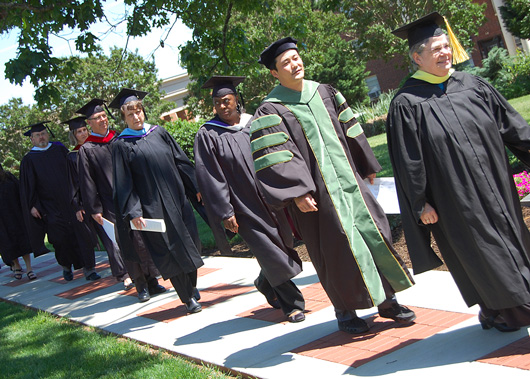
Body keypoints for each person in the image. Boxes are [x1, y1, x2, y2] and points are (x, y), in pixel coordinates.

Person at [250, 37, 416, 334]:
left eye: (296, 57)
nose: (294, 64)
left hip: (351, 184)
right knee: (335, 249)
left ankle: (388, 302)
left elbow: (350, 128)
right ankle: (345, 311)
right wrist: (297, 192)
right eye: (285, 62)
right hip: (317, 196)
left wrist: (365, 165)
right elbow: (275, 156)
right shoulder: (270, 110)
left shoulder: (325, 92)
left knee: (374, 236)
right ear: (274, 73)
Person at [387, 12, 530, 332]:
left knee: (512, 243)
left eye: (446, 46)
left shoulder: (473, 85)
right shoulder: (408, 103)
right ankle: (514, 309)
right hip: (456, 199)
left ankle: (494, 309)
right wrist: (420, 203)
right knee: (482, 252)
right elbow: (409, 161)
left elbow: (513, 128)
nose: (445, 53)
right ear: (416, 57)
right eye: (435, 49)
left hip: (498, 189)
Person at [194, 76, 306, 322]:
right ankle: (293, 305)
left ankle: (265, 282)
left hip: (271, 196)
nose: (223, 106)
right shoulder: (208, 134)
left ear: (236, 100)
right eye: (217, 102)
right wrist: (226, 211)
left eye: (227, 100)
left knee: (284, 243)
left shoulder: (254, 122)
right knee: (268, 251)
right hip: (243, 205)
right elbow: (211, 176)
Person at [110, 88, 204, 314]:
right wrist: (134, 210)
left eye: (139, 112)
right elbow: (124, 182)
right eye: (130, 114)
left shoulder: (159, 132)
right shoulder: (121, 145)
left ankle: (191, 285)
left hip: (178, 198)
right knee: (169, 250)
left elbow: (180, 160)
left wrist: (195, 187)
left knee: (191, 242)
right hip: (153, 207)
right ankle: (186, 298)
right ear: (124, 117)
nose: (136, 117)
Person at [76, 98, 165, 301]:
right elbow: (87, 182)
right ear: (89, 123)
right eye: (97, 118)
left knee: (145, 239)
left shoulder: (119, 139)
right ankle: (140, 285)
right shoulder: (87, 150)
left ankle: (153, 280)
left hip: (134, 197)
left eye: (104, 116)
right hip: (111, 204)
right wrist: (95, 209)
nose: (102, 120)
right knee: (128, 245)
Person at [19, 122, 85, 281]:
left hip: (69, 201)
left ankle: (86, 267)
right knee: (58, 238)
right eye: (37, 135)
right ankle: (65, 265)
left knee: (78, 233)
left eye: (43, 133)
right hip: (48, 206)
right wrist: (33, 205)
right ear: (32, 140)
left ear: (47, 134)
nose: (41, 137)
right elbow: (28, 187)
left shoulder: (59, 150)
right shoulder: (29, 160)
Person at [63, 116, 101, 281]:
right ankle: (90, 269)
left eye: (85, 129)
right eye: (79, 131)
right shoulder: (72, 156)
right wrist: (77, 206)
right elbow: (72, 184)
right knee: (87, 237)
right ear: (74, 135)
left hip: (101, 198)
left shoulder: (95, 147)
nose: (83, 133)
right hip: (84, 202)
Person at [0, 163, 36, 280]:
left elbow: (20, 193)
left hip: (16, 215)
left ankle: (29, 268)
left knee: (23, 242)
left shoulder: (9, 178)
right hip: (2, 221)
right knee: (8, 244)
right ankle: (16, 266)